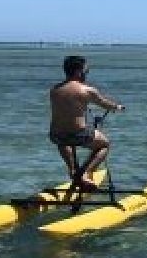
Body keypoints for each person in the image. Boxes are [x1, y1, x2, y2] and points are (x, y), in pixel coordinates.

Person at [49, 55, 125, 191]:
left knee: (63, 140)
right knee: (104, 144)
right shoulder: (87, 90)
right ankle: (86, 173)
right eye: (86, 71)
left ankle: (73, 171)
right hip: (79, 135)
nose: (87, 74)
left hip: (56, 135)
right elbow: (104, 103)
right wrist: (117, 107)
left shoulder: (54, 90)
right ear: (79, 72)